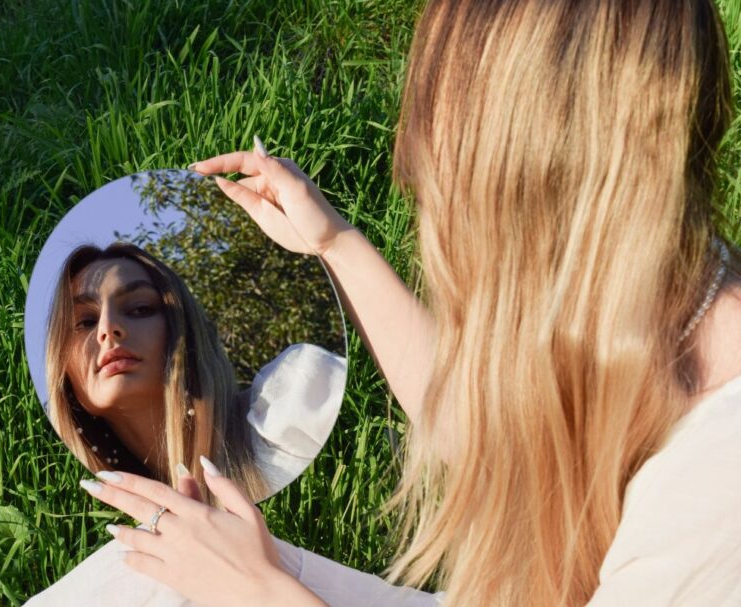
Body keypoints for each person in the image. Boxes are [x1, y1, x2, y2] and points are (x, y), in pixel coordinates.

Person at [75, 0, 741, 605]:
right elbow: (486, 429)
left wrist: (259, 592)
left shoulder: (721, 482)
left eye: (447, 190)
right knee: (146, 574)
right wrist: (333, 242)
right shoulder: (661, 294)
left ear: (537, 193)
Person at [44, 242, 345, 503]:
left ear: (182, 330)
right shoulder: (77, 505)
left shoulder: (293, 404)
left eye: (139, 308)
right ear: (62, 368)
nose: (108, 328)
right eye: (84, 321)